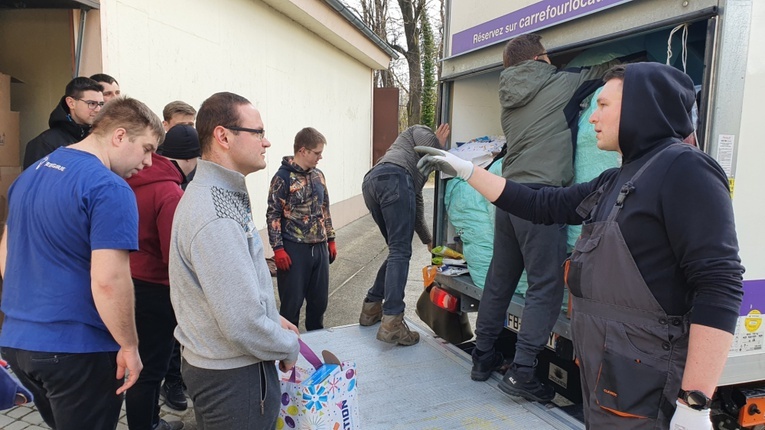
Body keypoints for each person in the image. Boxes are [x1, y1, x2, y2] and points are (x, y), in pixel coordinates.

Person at [416, 62, 744, 429]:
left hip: (648, 384)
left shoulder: (687, 169)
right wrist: (469, 171)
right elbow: (541, 205)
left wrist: (694, 403)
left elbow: (720, 285)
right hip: (608, 375)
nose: (592, 118)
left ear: (642, 106)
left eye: (603, 106)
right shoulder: (615, 179)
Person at [467, 33, 619, 403]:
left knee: (499, 281)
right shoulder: (560, 83)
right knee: (545, 287)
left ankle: (482, 357)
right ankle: (522, 374)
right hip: (542, 201)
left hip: (509, 197)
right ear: (540, 59)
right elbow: (607, 73)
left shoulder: (506, 95)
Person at [0, 97, 164, 430]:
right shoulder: (110, 187)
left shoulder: (31, 174)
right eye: (146, 148)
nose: (149, 162)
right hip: (77, 350)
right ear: (119, 136)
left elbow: (6, 255)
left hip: (20, 343)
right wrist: (130, 345)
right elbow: (109, 280)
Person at [169, 92, 300, 430]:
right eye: (257, 132)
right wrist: (288, 345)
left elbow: (238, 287)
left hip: (231, 370)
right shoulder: (214, 214)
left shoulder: (223, 194)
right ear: (223, 136)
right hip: (232, 378)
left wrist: (272, 317)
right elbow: (241, 323)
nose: (267, 142)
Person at [125, 125, 197, 430]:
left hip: (127, 282)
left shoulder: (129, 178)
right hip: (156, 289)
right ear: (189, 159)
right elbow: (175, 256)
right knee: (151, 369)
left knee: (137, 363)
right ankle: (148, 425)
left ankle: (148, 420)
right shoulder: (169, 191)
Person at [358, 124, 450, 346]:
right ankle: (392, 323)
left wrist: (428, 240)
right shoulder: (420, 130)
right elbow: (428, 147)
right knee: (399, 252)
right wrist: (438, 143)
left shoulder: (412, 170)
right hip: (392, 179)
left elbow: (415, 201)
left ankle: (371, 308)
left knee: (396, 250)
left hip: (373, 183)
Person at [267, 127, 336, 331]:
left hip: (319, 249)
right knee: (291, 306)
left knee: (319, 304)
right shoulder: (282, 178)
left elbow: (325, 209)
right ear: (303, 151)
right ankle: (288, 356)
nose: (320, 157)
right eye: (317, 153)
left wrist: (331, 239)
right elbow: (273, 214)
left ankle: (315, 348)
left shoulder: (318, 176)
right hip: (294, 249)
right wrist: (278, 248)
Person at [156, 125, 201, 411]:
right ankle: (166, 390)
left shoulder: (162, 177)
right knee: (160, 353)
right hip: (161, 284)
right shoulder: (170, 191)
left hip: (155, 281)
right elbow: (171, 252)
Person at [23, 76, 104, 169]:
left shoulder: (101, 138)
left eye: (101, 104)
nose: (98, 109)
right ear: (71, 103)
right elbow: (37, 181)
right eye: (92, 103)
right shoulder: (44, 144)